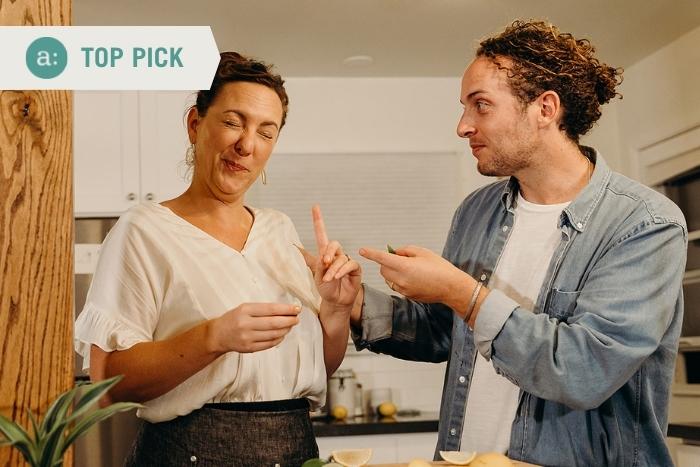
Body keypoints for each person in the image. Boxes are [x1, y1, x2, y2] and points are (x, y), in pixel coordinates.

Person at [351, 20, 687, 466]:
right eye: (464, 107)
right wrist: (353, 302)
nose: (462, 126)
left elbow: (584, 370)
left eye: (481, 106)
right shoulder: (477, 210)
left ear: (545, 108)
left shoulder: (645, 223)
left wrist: (461, 291)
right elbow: (446, 332)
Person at [74, 52, 361, 467]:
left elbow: (314, 371)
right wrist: (213, 338)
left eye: (267, 132)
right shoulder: (144, 230)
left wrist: (335, 312)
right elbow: (108, 382)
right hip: (189, 453)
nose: (246, 145)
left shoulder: (278, 230)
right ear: (195, 124)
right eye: (232, 122)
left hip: (296, 451)